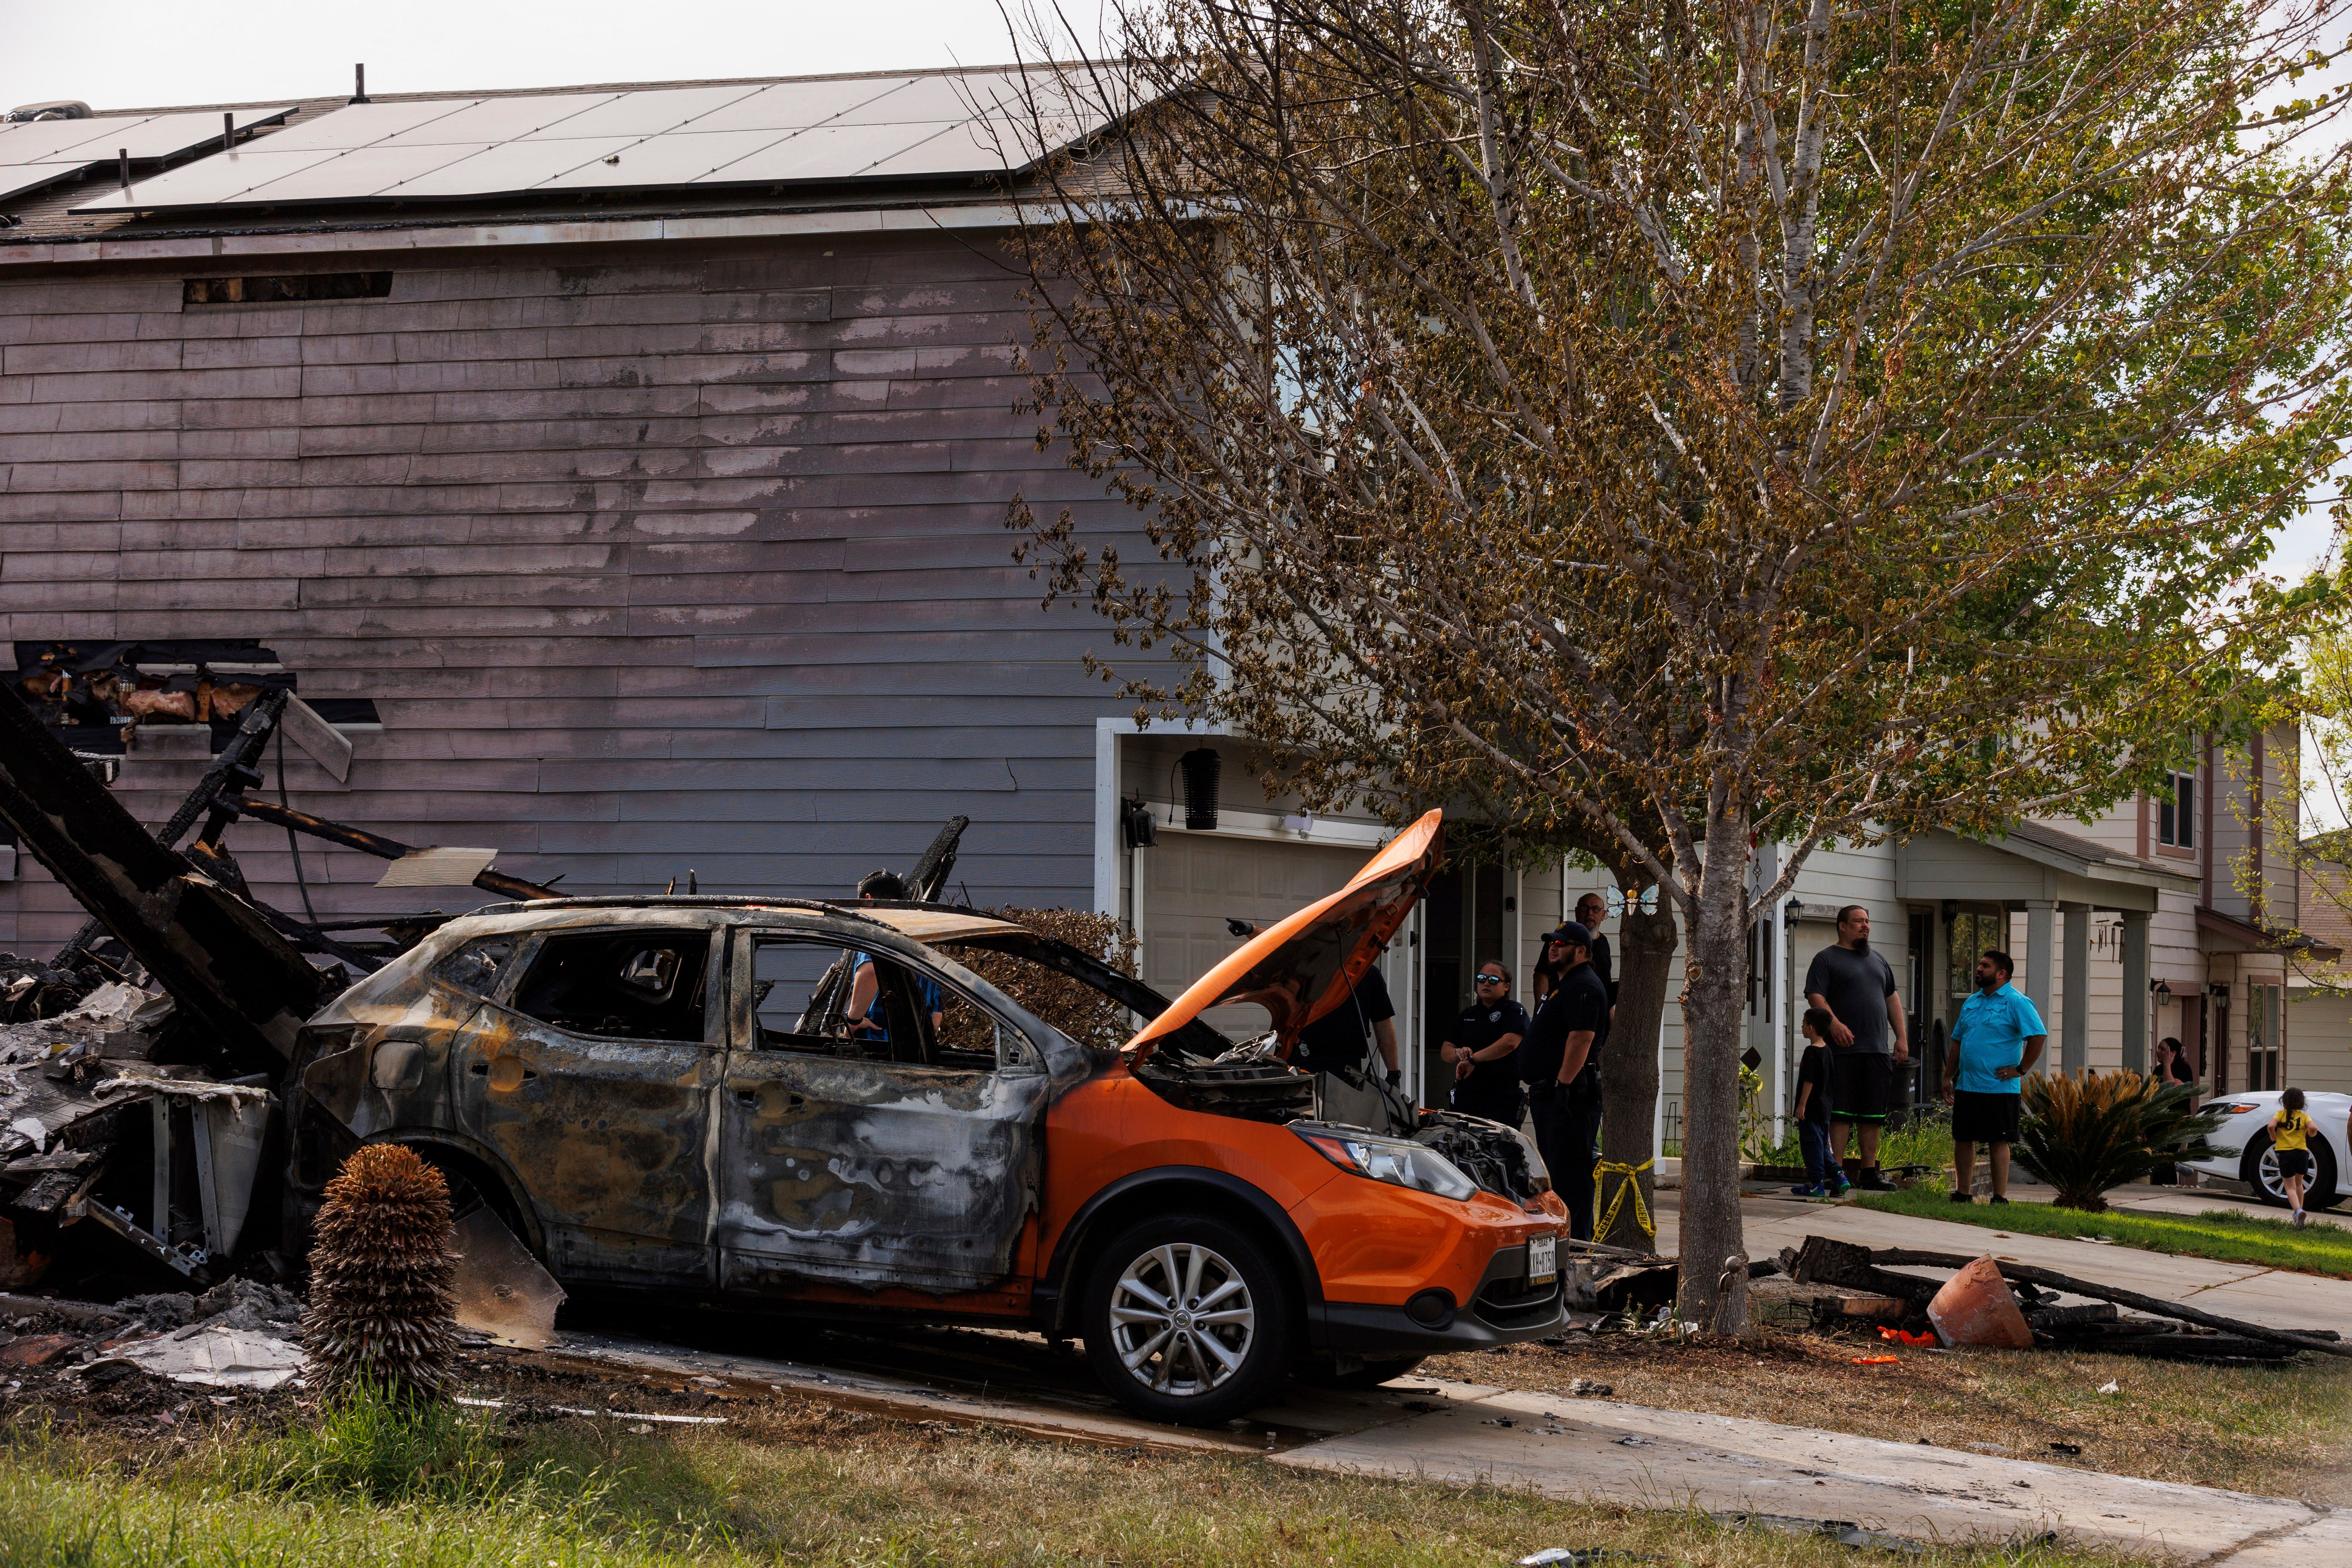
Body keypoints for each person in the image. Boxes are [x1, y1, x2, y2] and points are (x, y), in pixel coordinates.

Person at [1804, 905, 1909, 1191]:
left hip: (1876, 1050)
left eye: (1867, 921)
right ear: (1842, 926)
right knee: (1840, 1113)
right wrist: (1834, 1024)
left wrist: (1901, 1037)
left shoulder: (1878, 960)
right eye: (1858, 922)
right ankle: (1835, 1174)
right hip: (1842, 1052)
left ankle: (1868, 1174)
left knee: (1872, 1115)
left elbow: (1892, 1000)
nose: (1865, 926)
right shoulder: (1826, 959)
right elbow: (1816, 996)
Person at [1518, 922, 1608, 1239]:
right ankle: (1565, 1242)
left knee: (1572, 1178)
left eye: (1562, 943)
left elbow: (1581, 1039)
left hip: (1571, 1100)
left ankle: (1579, 1247)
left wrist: (1564, 1086)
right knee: (1557, 1172)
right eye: (1551, 942)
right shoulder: (1562, 984)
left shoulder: (1583, 985)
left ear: (1581, 951)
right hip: (1551, 1097)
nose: (1553, 947)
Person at [1942, 948, 2046, 1205]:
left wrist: (2021, 1070)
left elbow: (2038, 1035)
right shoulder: (1972, 1001)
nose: (1979, 969)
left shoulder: (2017, 1001)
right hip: (1968, 1085)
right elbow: (1957, 1042)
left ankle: (1999, 1197)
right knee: (1963, 1138)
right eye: (1980, 964)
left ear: (2002, 974)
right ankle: (1962, 1194)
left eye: (1985, 966)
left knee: (1998, 1140)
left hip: (1999, 1087)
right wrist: (1948, 1077)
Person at [1440, 961, 1528, 1125]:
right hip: (1468, 1095)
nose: (1486, 983)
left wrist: (1473, 1060)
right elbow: (1446, 1051)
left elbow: (1510, 1043)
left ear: (1506, 986)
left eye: (1493, 980)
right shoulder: (1468, 1014)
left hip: (1501, 1096)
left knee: (1500, 1147)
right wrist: (1459, 1052)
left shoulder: (1515, 1011)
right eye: (1482, 979)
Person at [1790, 1007, 1839, 1197]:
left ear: (1810, 1028)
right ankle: (1839, 1176)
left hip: (1811, 1110)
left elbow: (1809, 1080)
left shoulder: (1811, 1052)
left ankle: (1815, 1184)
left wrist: (1802, 1105)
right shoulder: (1827, 1051)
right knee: (1822, 1146)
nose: (1802, 1026)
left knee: (1811, 1146)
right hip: (1825, 1109)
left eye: (1803, 1023)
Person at [2272, 1087, 2317, 1226]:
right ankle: (2299, 1213)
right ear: (2301, 1103)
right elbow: (2314, 1128)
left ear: (2284, 1102)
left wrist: (2273, 1136)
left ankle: (2297, 1211)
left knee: (2289, 1187)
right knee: (2299, 1184)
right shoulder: (2304, 1117)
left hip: (2286, 1154)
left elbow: (2270, 1126)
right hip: (2302, 1154)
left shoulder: (2280, 1115)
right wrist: (2311, 1134)